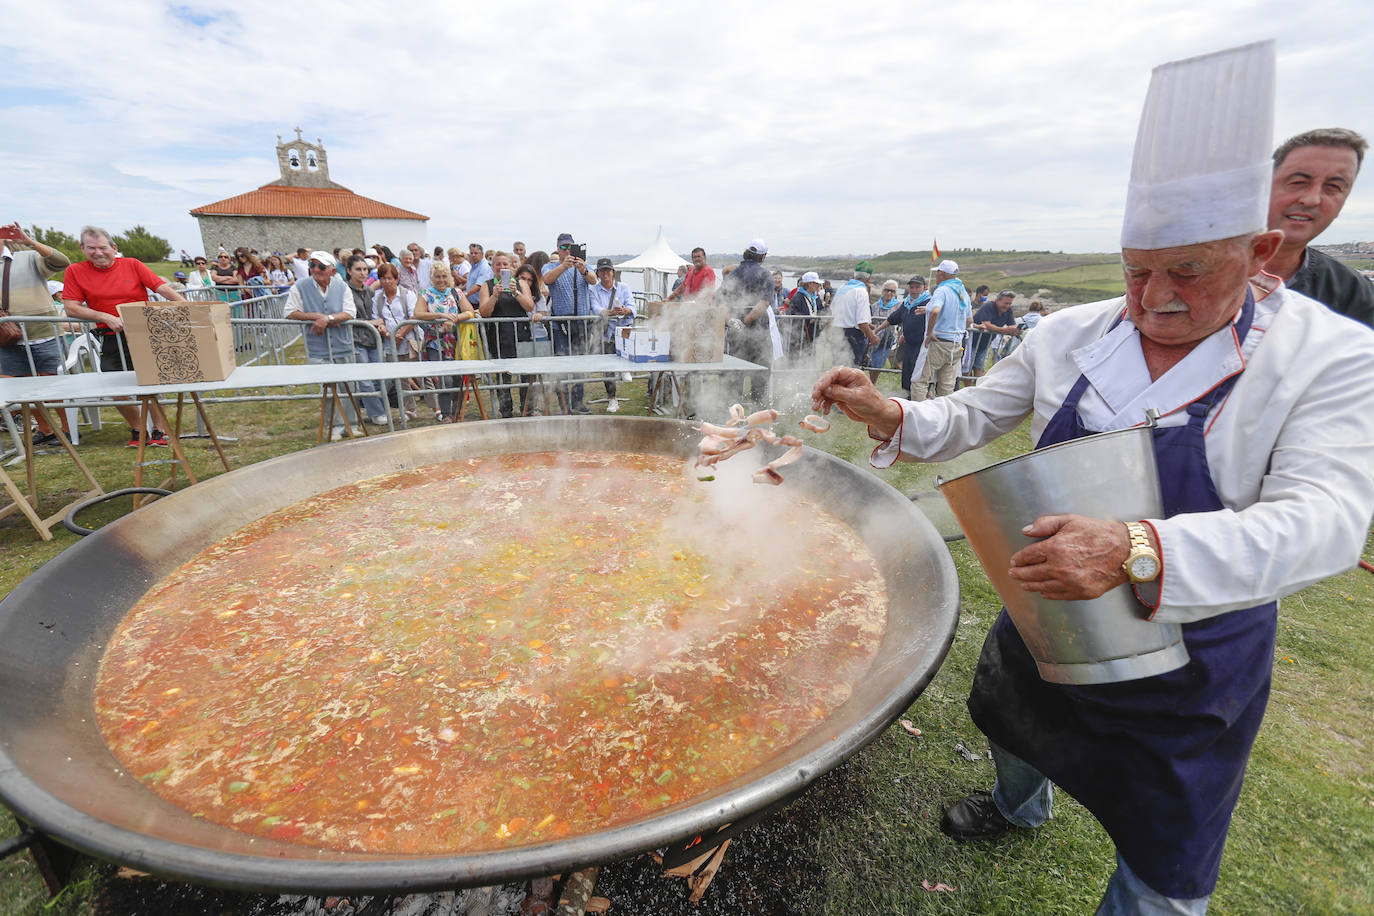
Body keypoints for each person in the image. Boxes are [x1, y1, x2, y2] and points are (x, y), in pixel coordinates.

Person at [813, 40, 1374, 915]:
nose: (1153, 296)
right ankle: (1016, 805)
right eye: (1136, 267)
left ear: (1260, 248)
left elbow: (1327, 521)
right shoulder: (1072, 331)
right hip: (1047, 599)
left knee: (1168, 849)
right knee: (1011, 719)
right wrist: (891, 414)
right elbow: (967, 417)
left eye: (1188, 270)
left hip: (1193, 651)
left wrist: (1140, 548)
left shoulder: (1330, 355)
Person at [60, 226, 186, 447]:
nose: (98, 253)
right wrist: (104, 316)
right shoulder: (75, 271)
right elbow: (71, 307)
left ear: (114, 248)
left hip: (143, 333)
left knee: (152, 383)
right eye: (91, 248)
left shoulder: (132, 264)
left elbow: (161, 288)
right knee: (115, 388)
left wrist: (188, 307)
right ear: (82, 249)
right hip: (110, 337)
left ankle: (159, 429)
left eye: (102, 248)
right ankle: (138, 428)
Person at [1264, 128, 1373, 326]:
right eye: (1298, 182)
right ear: (1264, 185)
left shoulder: (1353, 294)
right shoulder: (1196, 271)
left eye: (1333, 187)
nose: (1312, 199)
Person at [1, 223, 72, 446]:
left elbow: (61, 262)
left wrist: (31, 242)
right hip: (7, 336)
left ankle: (68, 430)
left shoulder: (28, 256)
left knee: (52, 384)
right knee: (23, 386)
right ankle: (46, 430)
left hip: (43, 331)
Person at [282, 250, 361, 440]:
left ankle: (352, 424)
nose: (315, 270)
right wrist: (316, 317)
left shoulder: (342, 287)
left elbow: (350, 312)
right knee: (328, 388)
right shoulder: (300, 286)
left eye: (321, 266)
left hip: (343, 344)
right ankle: (334, 425)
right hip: (317, 346)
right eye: (312, 265)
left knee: (349, 386)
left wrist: (328, 318)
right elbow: (290, 312)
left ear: (332, 270)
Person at [414, 261, 477, 422]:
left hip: (455, 341)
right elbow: (418, 313)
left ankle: (457, 412)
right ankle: (446, 413)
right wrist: (439, 316)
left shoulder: (456, 293)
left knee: (457, 377)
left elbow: (469, 312)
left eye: (444, 276)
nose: (441, 280)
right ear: (432, 278)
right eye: (437, 277)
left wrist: (455, 319)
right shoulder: (425, 293)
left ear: (448, 277)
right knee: (444, 378)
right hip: (435, 341)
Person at [541, 233, 597, 413]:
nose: (566, 250)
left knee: (580, 366)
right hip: (560, 325)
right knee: (562, 367)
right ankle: (565, 404)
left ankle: (578, 402)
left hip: (581, 323)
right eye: (563, 247)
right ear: (558, 249)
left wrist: (583, 270)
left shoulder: (584, 265)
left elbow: (594, 280)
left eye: (569, 247)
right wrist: (564, 266)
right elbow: (547, 280)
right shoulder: (549, 266)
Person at [715, 240, 774, 407]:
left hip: (736, 335)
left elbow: (722, 304)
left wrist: (733, 322)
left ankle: (733, 417)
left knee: (735, 377)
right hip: (759, 336)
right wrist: (745, 322)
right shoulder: (765, 275)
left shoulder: (732, 274)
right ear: (762, 257)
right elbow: (763, 304)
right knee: (760, 379)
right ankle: (758, 419)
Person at [478, 254, 538, 418]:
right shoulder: (487, 285)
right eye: (498, 264)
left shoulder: (521, 283)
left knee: (526, 375)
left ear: (511, 267)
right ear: (492, 266)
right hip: (499, 336)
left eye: (505, 264)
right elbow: (484, 312)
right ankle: (506, 412)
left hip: (521, 334)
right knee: (503, 377)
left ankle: (527, 410)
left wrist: (516, 292)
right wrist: (495, 296)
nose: (501, 267)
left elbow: (530, 306)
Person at [372, 262, 425, 419]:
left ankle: (436, 407)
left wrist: (400, 334)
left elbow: (413, 315)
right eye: (383, 278)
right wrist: (386, 332)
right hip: (390, 343)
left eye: (389, 278)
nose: (386, 282)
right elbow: (377, 318)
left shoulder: (407, 294)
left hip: (410, 340)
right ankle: (410, 409)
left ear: (396, 279)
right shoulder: (377, 297)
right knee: (401, 378)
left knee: (423, 374)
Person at [911, 259, 970, 400]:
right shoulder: (963, 292)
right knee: (946, 386)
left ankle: (918, 415)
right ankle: (945, 418)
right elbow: (969, 319)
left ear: (942, 274)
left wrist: (930, 332)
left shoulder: (942, 290)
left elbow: (936, 311)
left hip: (939, 342)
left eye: (938, 273)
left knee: (920, 380)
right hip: (956, 344)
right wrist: (928, 309)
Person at [587, 257, 637, 413]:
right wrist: (611, 312)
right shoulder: (593, 290)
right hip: (606, 334)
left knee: (625, 357)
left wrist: (625, 310)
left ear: (613, 272)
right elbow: (595, 308)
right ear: (598, 273)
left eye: (608, 270)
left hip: (623, 333)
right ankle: (612, 399)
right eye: (602, 270)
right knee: (608, 368)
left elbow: (632, 306)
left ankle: (624, 369)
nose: (605, 273)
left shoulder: (624, 287)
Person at [342, 255, 389, 425]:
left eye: (364, 269)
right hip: (356, 339)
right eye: (358, 269)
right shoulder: (344, 291)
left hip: (373, 339)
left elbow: (375, 315)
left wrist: (380, 324)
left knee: (380, 378)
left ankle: (382, 411)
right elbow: (348, 316)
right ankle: (376, 413)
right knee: (365, 380)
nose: (362, 273)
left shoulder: (370, 291)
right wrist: (372, 323)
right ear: (349, 271)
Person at [830, 261, 880, 368]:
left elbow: (834, 312)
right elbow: (861, 322)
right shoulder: (861, 291)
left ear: (854, 275)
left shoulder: (841, 288)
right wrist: (872, 337)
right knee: (852, 371)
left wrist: (868, 324)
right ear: (869, 278)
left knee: (838, 368)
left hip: (837, 333)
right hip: (853, 335)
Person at [886, 276, 931, 397]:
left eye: (917, 287)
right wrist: (876, 330)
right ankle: (906, 399)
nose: (914, 290)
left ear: (925, 287)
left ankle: (922, 401)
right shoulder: (906, 303)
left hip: (923, 345)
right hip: (909, 344)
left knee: (919, 376)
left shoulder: (929, 302)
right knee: (906, 374)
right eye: (912, 287)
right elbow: (893, 318)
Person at [967, 289, 1019, 376]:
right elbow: (986, 324)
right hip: (971, 341)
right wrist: (1004, 330)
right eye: (1005, 303)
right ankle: (968, 388)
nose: (1007, 306)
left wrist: (1016, 330)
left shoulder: (1008, 310)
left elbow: (1012, 325)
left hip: (985, 344)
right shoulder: (988, 306)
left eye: (1010, 304)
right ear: (997, 300)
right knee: (967, 367)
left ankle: (977, 387)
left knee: (979, 367)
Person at [866, 279, 901, 382]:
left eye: (892, 291)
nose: (889, 293)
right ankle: (870, 383)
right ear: (882, 291)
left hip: (887, 339)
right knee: (870, 362)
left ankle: (872, 383)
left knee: (878, 363)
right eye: (887, 290)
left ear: (895, 293)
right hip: (873, 338)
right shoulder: (875, 305)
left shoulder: (899, 306)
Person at [784, 271, 824, 358]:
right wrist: (809, 319)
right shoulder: (798, 297)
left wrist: (821, 319)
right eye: (816, 283)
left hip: (812, 333)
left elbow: (821, 310)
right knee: (797, 358)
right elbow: (792, 314)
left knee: (810, 356)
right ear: (809, 284)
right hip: (799, 335)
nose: (818, 286)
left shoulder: (816, 297)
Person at [463, 242, 494, 308]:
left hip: (480, 304)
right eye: (471, 253)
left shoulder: (484, 267)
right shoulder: (474, 266)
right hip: (472, 303)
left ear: (482, 254)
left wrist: (464, 295)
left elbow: (479, 285)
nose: (473, 255)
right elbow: (471, 283)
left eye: (476, 253)